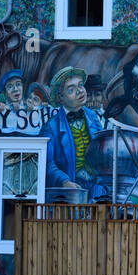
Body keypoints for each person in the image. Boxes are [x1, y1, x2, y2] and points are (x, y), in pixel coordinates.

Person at [40, 67, 103, 202]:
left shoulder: (93, 117)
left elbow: (101, 149)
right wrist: (64, 182)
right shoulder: (51, 127)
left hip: (95, 189)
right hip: (69, 192)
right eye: (71, 90)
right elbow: (47, 163)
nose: (80, 91)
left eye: (81, 85)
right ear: (60, 97)